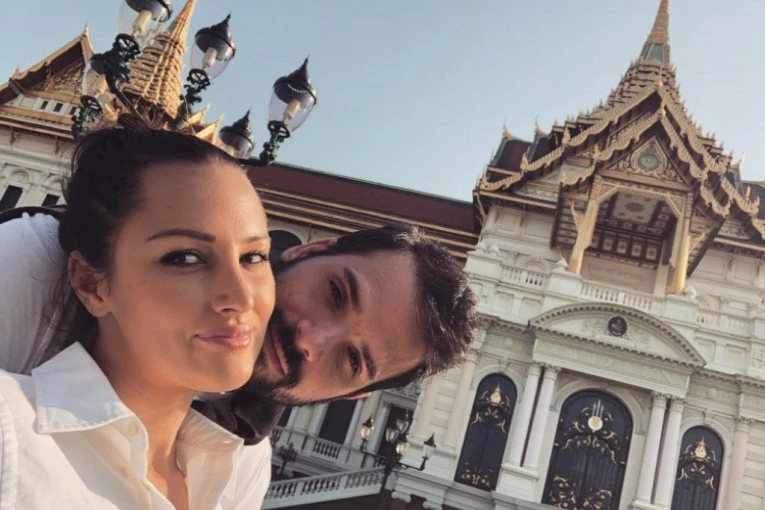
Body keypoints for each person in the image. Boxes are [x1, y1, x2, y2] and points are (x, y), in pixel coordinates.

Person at [0, 127, 277, 509]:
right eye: (185, 258)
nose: (242, 297)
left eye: (254, 257)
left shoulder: (231, 480)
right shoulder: (12, 436)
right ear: (92, 284)